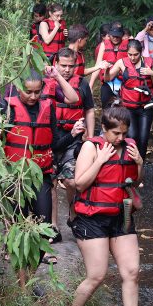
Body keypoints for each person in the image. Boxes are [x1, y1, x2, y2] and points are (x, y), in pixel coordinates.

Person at [63, 106, 153, 306]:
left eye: (124, 133)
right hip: (92, 218)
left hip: (121, 215)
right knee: (96, 275)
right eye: (116, 133)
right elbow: (80, 184)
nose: (120, 138)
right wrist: (101, 160)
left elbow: (135, 181)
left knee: (132, 272)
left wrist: (139, 164)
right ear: (104, 128)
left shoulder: (130, 146)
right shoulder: (91, 147)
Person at [0, 69, 78, 280]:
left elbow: (54, 143)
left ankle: (30, 277)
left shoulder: (47, 107)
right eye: (28, 92)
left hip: (41, 175)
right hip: (16, 177)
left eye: (36, 92)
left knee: (43, 231)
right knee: (20, 230)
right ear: (19, 89)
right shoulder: (6, 107)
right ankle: (23, 285)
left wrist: (72, 135)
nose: (33, 97)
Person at [50, 47, 97, 227]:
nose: (67, 69)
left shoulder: (82, 83)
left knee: (71, 181)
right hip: (52, 139)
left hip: (74, 138)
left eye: (71, 66)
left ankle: (73, 215)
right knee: (51, 182)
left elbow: (90, 110)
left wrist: (90, 138)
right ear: (56, 64)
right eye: (63, 65)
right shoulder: (48, 83)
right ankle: (53, 225)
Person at [104, 39, 153, 160]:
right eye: (130, 54)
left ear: (141, 52)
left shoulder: (149, 62)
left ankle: (141, 165)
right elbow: (107, 79)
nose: (133, 58)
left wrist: (152, 74)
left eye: (136, 54)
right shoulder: (121, 63)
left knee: (143, 138)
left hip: (146, 107)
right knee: (132, 136)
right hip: (128, 107)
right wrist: (107, 70)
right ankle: (130, 163)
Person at [92, 22, 129, 108]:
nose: (115, 38)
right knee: (106, 109)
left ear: (122, 35)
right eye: (113, 36)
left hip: (123, 82)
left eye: (118, 36)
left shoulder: (128, 45)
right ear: (109, 34)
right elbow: (98, 65)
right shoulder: (103, 45)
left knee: (124, 111)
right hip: (107, 82)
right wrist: (91, 85)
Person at [90, 23, 111, 92]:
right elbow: (98, 65)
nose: (111, 37)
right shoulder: (101, 47)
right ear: (103, 37)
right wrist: (91, 85)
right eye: (109, 36)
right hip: (105, 76)